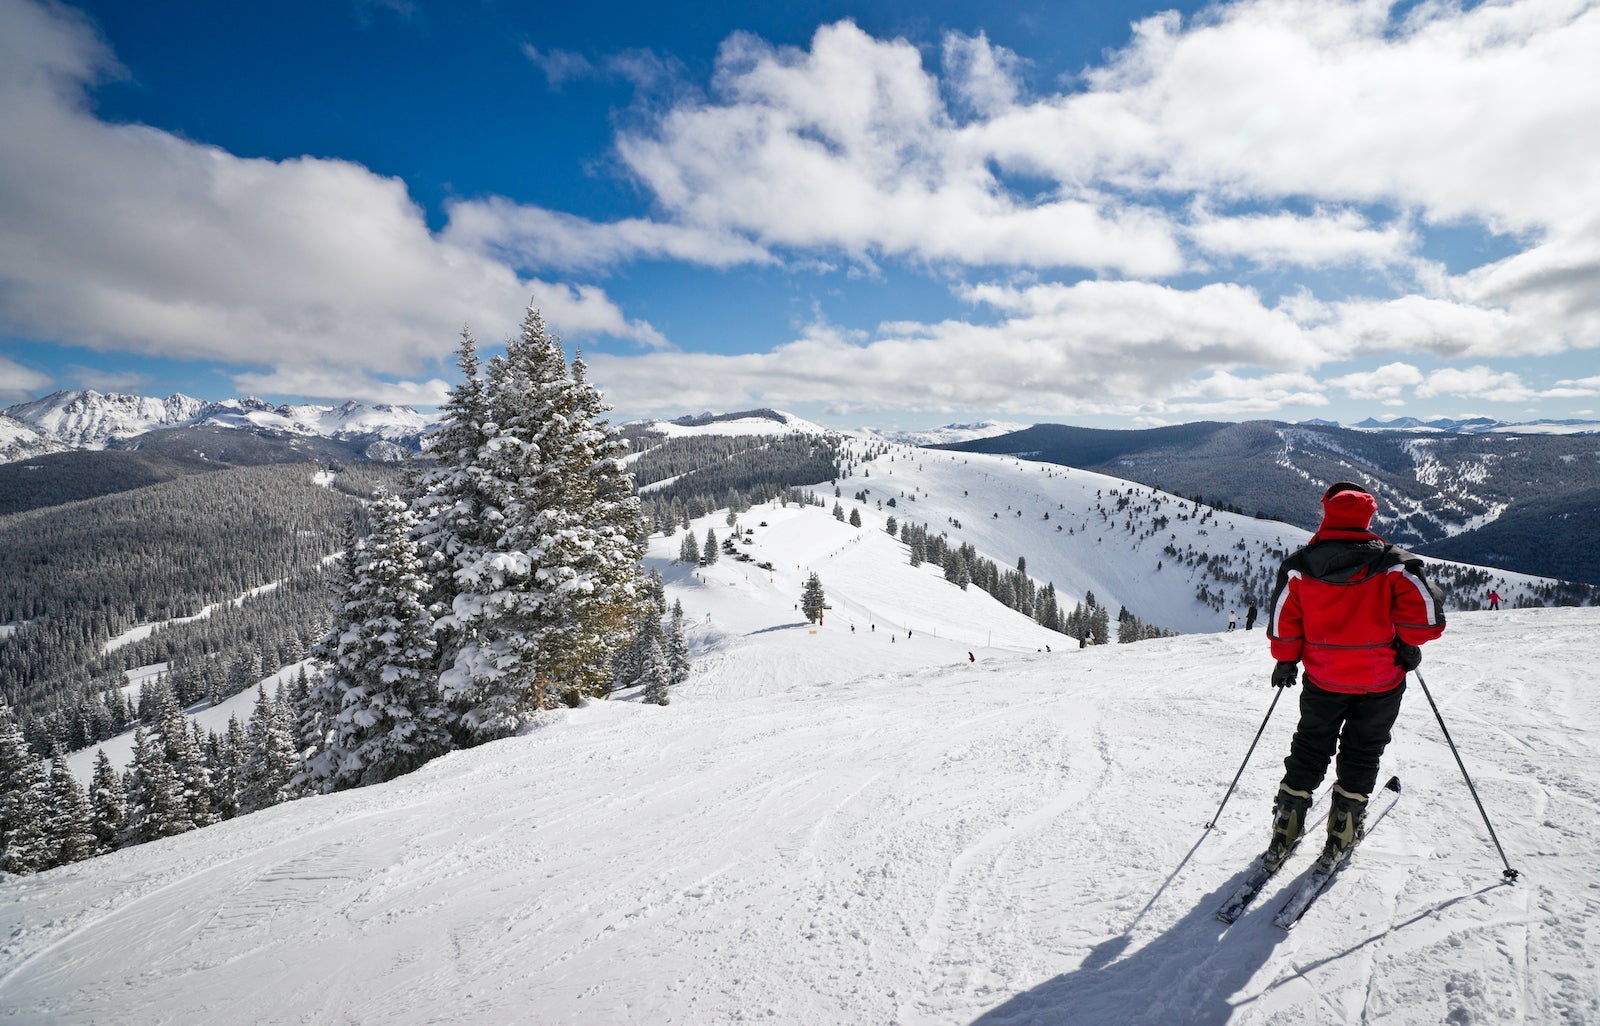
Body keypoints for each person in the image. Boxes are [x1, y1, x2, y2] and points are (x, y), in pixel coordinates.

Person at [1264, 481, 1446, 867]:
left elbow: (1284, 623)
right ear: (1368, 517)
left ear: (1326, 513)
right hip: (1382, 680)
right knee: (1363, 749)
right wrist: (1408, 644)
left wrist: (1285, 660)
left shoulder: (1299, 566)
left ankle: (1287, 823)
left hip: (1324, 678)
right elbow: (1427, 621)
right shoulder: (1395, 564)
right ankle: (1344, 827)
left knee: (1311, 744)